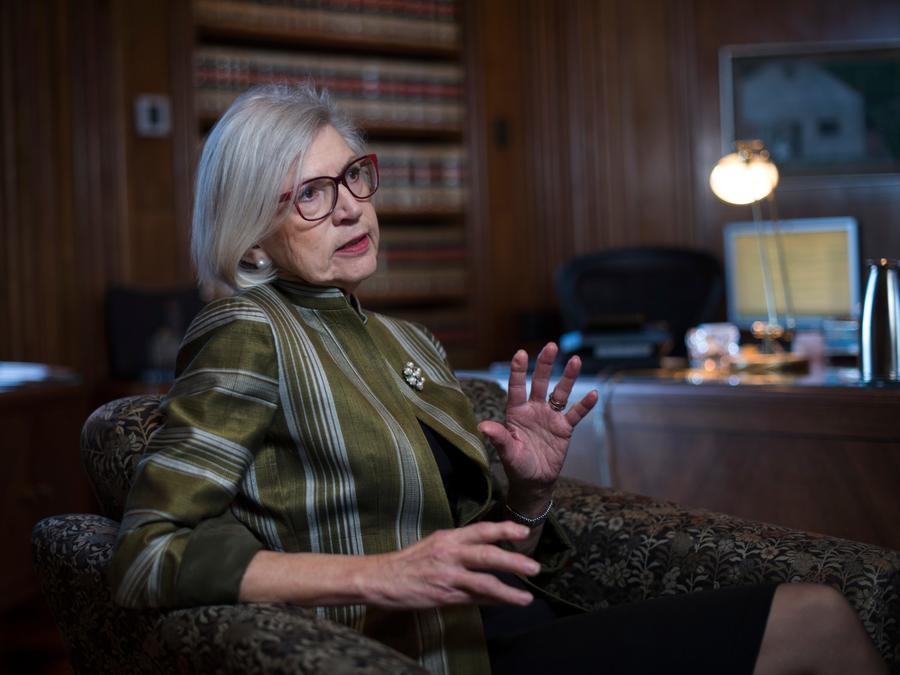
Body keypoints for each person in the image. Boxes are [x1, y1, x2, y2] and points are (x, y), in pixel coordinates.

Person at [110, 84, 886, 675]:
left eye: (352, 177)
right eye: (311, 194)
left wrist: (530, 492)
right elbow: (148, 554)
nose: (350, 209)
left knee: (820, 609)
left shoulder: (401, 339)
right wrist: (385, 575)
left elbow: (490, 554)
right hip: (432, 656)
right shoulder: (248, 332)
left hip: (507, 624)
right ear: (252, 235)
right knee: (814, 619)